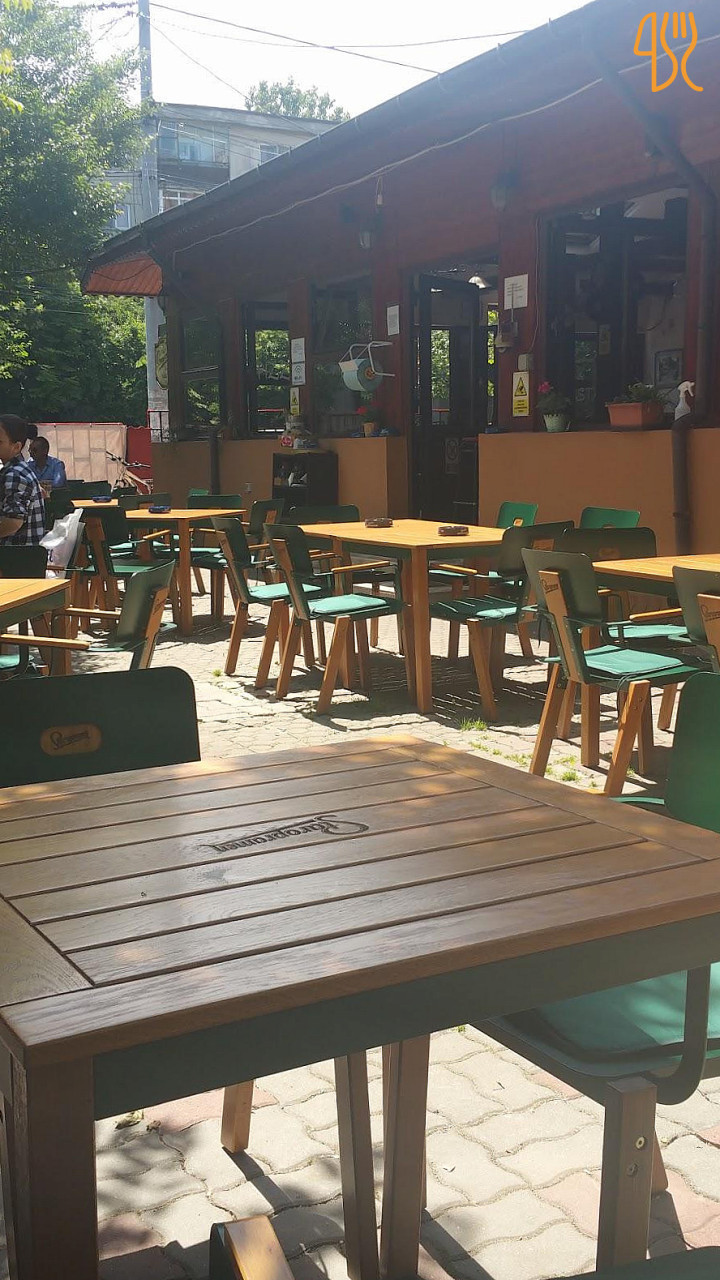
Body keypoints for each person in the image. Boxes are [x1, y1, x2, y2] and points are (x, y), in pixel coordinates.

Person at [0, 414, 46, 545]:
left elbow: (14, 522)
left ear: (16, 447)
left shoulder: (14, 474)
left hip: (15, 554)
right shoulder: (19, 469)